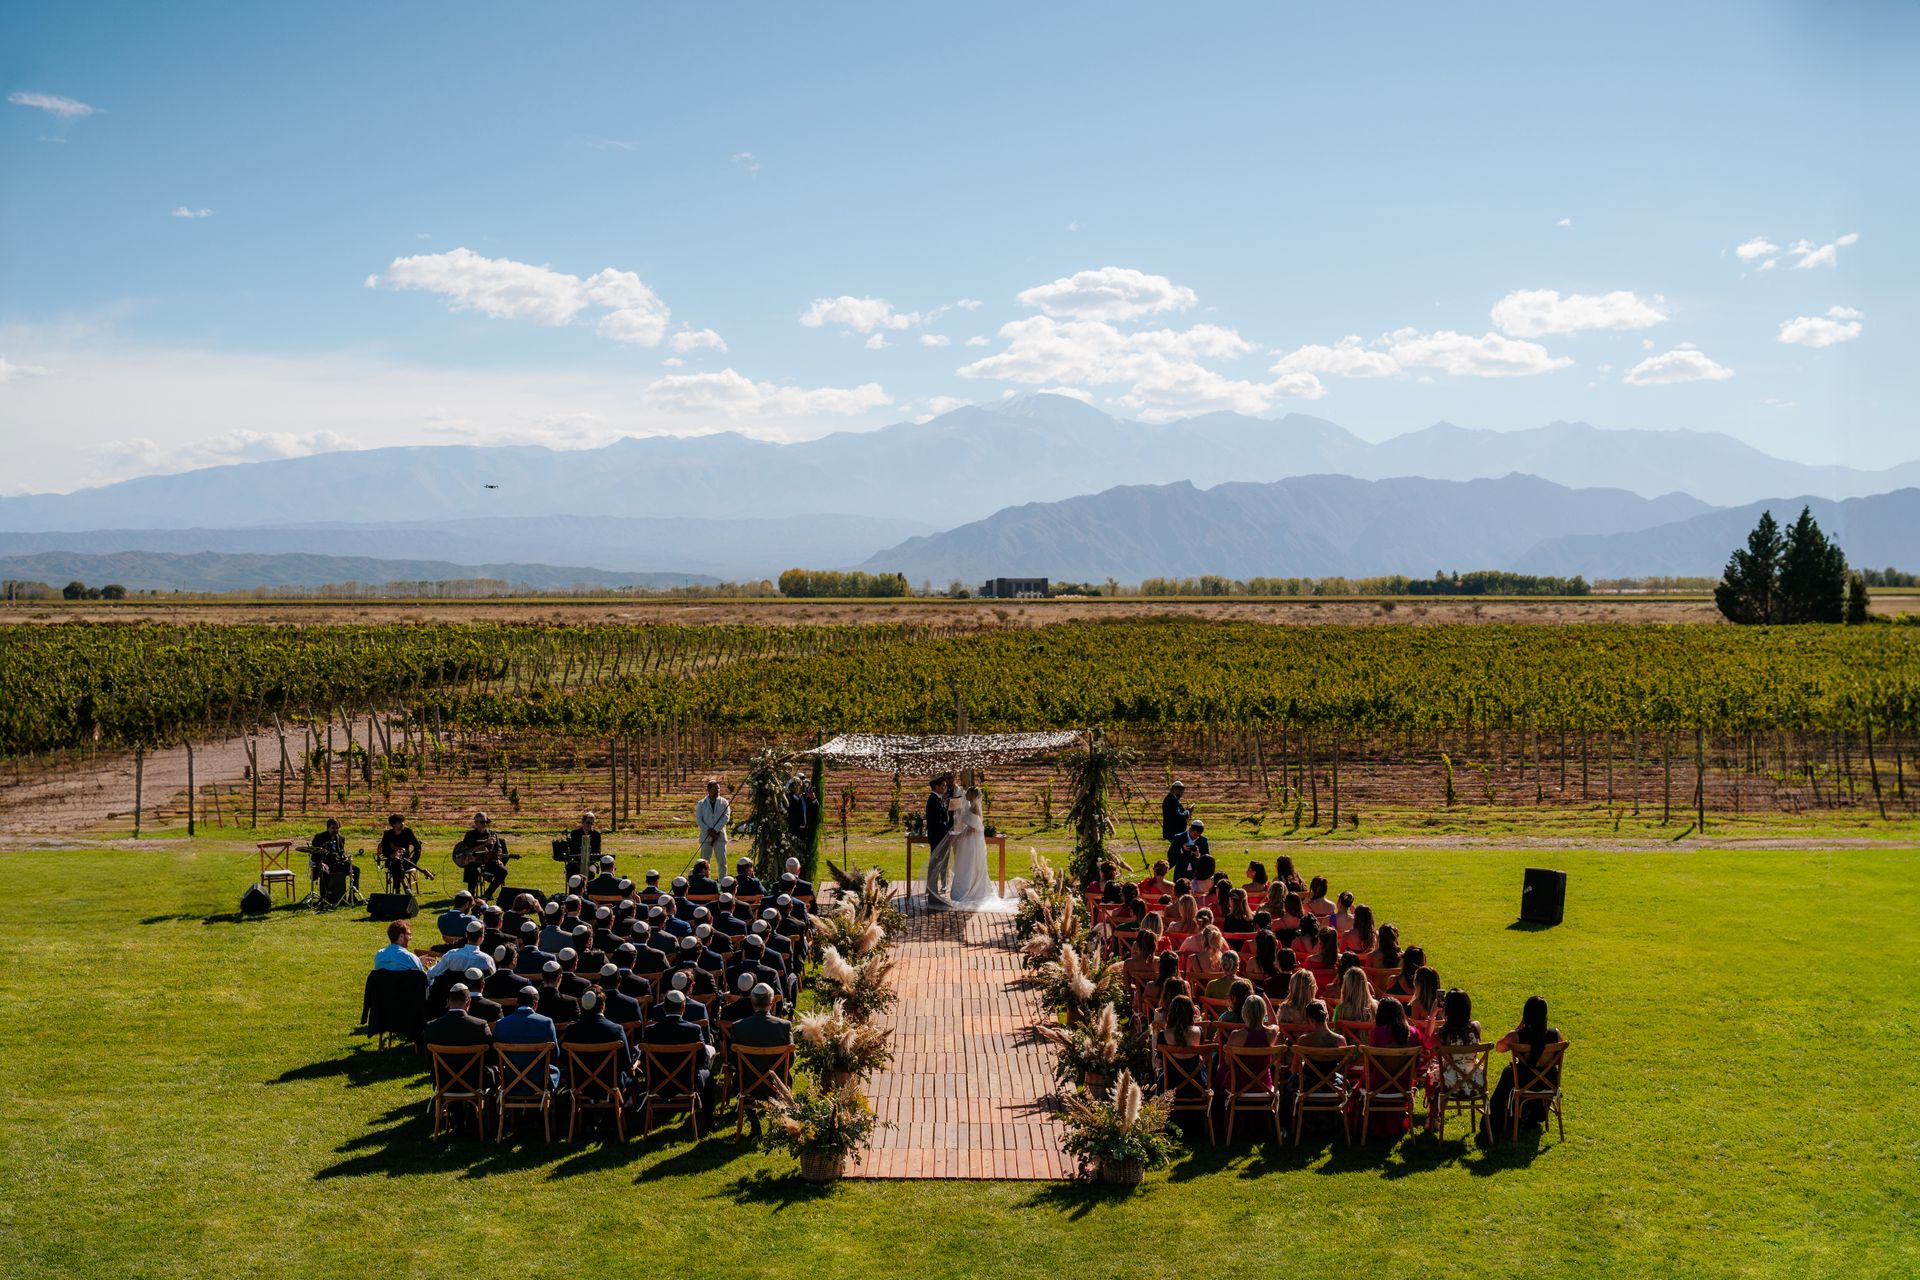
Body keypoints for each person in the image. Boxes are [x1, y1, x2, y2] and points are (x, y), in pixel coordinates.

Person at [641, 989, 716, 1125]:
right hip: (687, 1083)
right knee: (708, 1073)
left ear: (664, 1008)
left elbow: (644, 1061)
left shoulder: (651, 1031)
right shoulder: (693, 1030)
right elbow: (701, 1060)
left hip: (658, 1083)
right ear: (683, 1008)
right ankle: (708, 1119)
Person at [1490, 995, 1561, 1135]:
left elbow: (1499, 1048)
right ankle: (1533, 1114)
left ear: (1526, 1014)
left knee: (1509, 1073)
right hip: (1548, 1083)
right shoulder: (1555, 1035)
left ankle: (1496, 1121)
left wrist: (1517, 1028)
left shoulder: (1517, 1036)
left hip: (1524, 1083)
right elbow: (1558, 1056)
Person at [945, 785, 1005, 910]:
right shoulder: (972, 806)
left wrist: (959, 836)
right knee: (967, 864)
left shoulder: (974, 808)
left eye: (968, 793)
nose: (966, 795)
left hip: (972, 842)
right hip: (970, 841)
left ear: (972, 795)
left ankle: (967, 891)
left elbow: (974, 828)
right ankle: (968, 889)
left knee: (969, 864)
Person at [495, 983, 562, 1091]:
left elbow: (496, 1057)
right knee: (555, 1071)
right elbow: (555, 1054)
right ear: (535, 1004)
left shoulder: (501, 1024)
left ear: (517, 1003)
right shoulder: (546, 1023)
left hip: (510, 1081)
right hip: (539, 1080)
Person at [562, 990, 634, 1089]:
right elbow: (626, 1064)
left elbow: (565, 1059)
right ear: (602, 1006)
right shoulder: (616, 1030)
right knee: (634, 1079)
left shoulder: (571, 1030)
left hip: (580, 1084)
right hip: (610, 1084)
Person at [922, 774, 958, 907]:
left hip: (941, 836)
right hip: (937, 837)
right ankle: (932, 892)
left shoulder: (939, 799)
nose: (945, 787)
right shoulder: (933, 800)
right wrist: (948, 831)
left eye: (945, 785)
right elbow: (937, 822)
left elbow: (944, 819)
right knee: (935, 864)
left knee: (938, 863)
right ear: (936, 786)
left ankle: (933, 890)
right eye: (942, 785)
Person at [457, 811, 511, 899]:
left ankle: (487, 894)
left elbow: (499, 848)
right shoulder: (470, 835)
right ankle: (471, 896)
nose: (484, 824)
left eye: (486, 822)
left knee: (503, 871)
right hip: (475, 862)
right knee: (473, 870)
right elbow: (469, 845)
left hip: (490, 862)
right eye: (482, 822)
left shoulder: (492, 834)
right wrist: (484, 843)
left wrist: (499, 858)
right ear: (476, 823)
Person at [424, 984, 493, 1051]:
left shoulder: (431, 1026)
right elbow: (489, 1053)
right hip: (476, 1063)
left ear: (448, 1002)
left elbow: (430, 1055)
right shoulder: (481, 1025)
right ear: (468, 1002)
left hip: (442, 1062)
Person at [426, 922, 496, 980]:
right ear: (482, 938)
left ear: (466, 935)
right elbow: (493, 979)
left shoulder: (452, 955)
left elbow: (431, 974)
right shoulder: (487, 960)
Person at [377, 813, 425, 895]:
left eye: (403, 821)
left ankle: (398, 892)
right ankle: (405, 888)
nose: (402, 824)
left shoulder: (408, 832)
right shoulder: (387, 834)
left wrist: (413, 861)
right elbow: (384, 850)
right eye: (399, 822)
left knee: (396, 866)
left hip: (407, 861)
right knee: (396, 863)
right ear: (393, 824)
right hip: (391, 861)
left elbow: (418, 847)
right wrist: (390, 855)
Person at [309, 818, 359, 894]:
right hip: (324, 863)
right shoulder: (319, 837)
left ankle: (352, 896)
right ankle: (324, 897)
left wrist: (345, 858)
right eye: (333, 828)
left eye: (337, 828)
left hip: (337, 863)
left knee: (356, 870)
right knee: (325, 872)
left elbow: (341, 853)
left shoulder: (341, 838)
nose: (335, 830)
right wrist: (321, 863)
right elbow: (314, 854)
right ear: (328, 828)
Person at [696, 779, 730, 864]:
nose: (717, 791)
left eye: (718, 789)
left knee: (722, 862)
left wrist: (715, 830)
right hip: (706, 837)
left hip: (720, 836)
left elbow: (726, 817)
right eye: (715, 789)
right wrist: (708, 830)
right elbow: (699, 820)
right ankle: (704, 877)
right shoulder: (701, 803)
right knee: (704, 863)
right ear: (708, 790)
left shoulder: (724, 802)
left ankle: (722, 878)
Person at [1161, 781, 1191, 862]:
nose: (1182, 793)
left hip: (1173, 831)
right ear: (1176, 789)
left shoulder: (1172, 799)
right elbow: (1178, 816)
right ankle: (1162, 869)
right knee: (1178, 854)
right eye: (1181, 791)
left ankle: (1162, 869)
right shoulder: (1172, 800)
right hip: (1174, 831)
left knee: (1178, 854)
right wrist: (1188, 812)